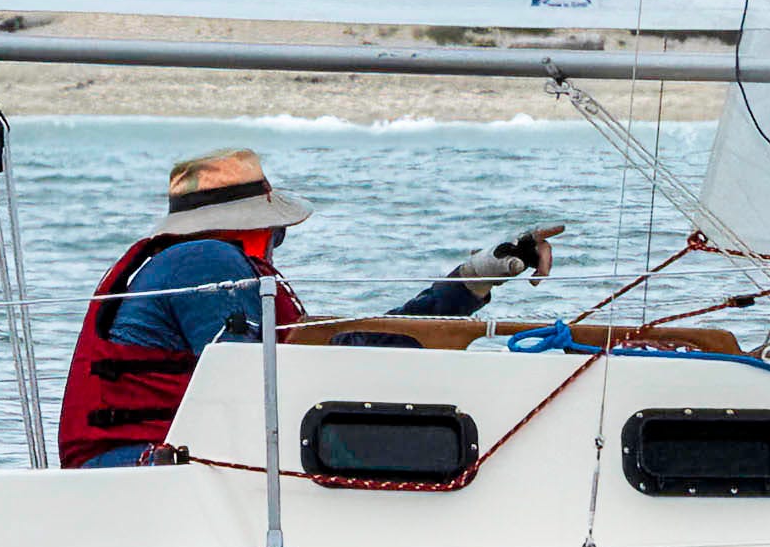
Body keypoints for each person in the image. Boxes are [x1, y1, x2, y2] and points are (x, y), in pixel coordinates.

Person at [56, 150, 562, 468]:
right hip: (132, 465)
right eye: (276, 230)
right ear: (254, 225)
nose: (277, 241)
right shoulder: (206, 260)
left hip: (125, 459)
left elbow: (334, 347)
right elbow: (258, 383)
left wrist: (474, 277)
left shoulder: (191, 260)